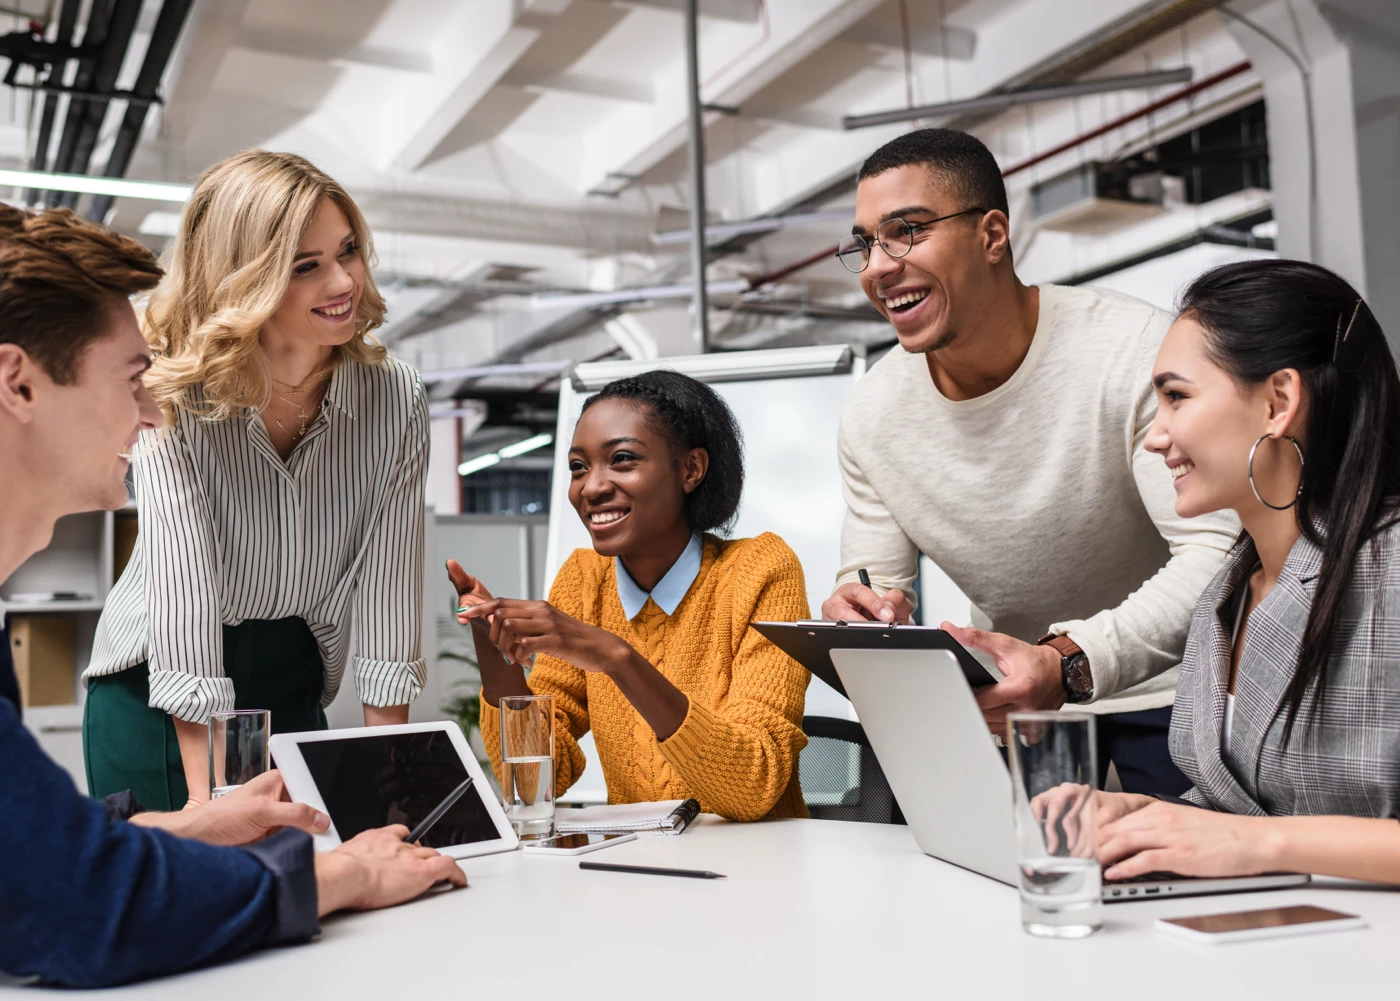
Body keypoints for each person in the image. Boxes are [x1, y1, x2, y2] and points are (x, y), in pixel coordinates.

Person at [0, 198, 465, 987]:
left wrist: (177, 826)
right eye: (132, 379)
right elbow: (72, 907)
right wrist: (346, 876)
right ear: (17, 384)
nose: (155, 412)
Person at [821, 128, 1238, 797]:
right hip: (1022, 703)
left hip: (1178, 687)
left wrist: (1067, 659)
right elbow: (873, 580)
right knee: (1015, 890)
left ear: (992, 236)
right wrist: (860, 610)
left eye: (906, 230)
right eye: (866, 242)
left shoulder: (1132, 348)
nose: (876, 264)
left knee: (1183, 892)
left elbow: (1214, 552)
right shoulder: (872, 410)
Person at [84, 150, 430, 810]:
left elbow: (390, 597)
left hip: (295, 672)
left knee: (337, 883)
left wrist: (399, 792)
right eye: (306, 266)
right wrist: (214, 810)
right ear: (244, 279)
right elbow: (185, 602)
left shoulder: (396, 397)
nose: (343, 281)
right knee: (205, 891)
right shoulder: (172, 393)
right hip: (161, 690)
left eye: (348, 250)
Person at [1079, 260, 1400, 884]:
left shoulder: (1390, 565)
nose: (1155, 436)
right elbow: (1244, 812)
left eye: (1176, 397)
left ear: (1278, 402)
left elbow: (1260, 835)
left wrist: (1262, 844)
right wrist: (1141, 817)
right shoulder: (1227, 594)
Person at [447, 370, 811, 821]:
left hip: (762, 872)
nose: (592, 487)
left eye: (621, 459)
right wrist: (492, 644)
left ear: (691, 469)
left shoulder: (762, 571)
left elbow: (750, 789)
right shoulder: (584, 579)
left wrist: (617, 657)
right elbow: (535, 780)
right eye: (578, 467)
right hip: (640, 866)